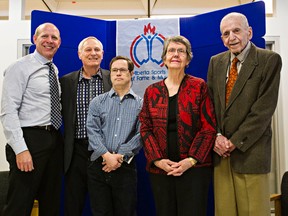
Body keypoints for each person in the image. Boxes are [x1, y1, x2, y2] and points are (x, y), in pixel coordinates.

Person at [207, 12, 282, 216]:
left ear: (249, 32)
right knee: (225, 211)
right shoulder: (216, 62)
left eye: (236, 30)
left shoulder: (269, 60)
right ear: (222, 40)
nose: (231, 37)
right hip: (221, 154)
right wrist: (217, 136)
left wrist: (234, 142)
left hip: (250, 151)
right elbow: (210, 105)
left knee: (254, 211)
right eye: (226, 33)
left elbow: (263, 110)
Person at [139, 35, 216, 216]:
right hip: (161, 170)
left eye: (181, 51)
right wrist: (158, 160)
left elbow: (208, 127)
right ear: (164, 58)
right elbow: (145, 128)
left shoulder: (199, 86)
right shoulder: (152, 91)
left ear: (188, 59)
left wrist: (190, 160)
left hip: (194, 169)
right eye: (171, 51)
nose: (176, 54)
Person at [0, 23, 63, 216]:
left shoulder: (54, 70)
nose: (49, 41)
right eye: (45, 36)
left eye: (54, 38)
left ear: (59, 43)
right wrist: (21, 149)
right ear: (35, 39)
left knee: (50, 202)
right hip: (30, 141)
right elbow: (8, 111)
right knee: (20, 204)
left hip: (53, 139)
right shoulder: (19, 67)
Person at [60, 36, 112, 215]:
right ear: (79, 54)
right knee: (73, 205)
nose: (93, 53)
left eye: (97, 50)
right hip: (76, 152)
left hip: (105, 153)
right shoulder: (66, 82)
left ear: (103, 54)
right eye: (88, 50)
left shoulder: (113, 78)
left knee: (103, 205)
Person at [86, 55, 143, 216]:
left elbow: (141, 134)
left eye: (122, 70)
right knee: (100, 212)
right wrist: (106, 155)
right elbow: (92, 130)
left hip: (125, 167)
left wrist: (119, 156)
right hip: (98, 166)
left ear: (131, 73)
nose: (118, 73)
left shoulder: (141, 104)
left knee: (126, 212)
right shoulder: (97, 102)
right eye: (114, 70)